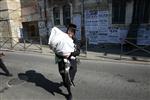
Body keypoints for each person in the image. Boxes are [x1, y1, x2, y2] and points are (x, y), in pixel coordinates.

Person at [55, 23, 80, 99]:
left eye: (72, 31)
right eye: (69, 31)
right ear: (67, 30)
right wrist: (62, 54)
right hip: (62, 61)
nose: (70, 33)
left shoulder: (75, 40)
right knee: (65, 77)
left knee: (74, 70)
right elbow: (57, 51)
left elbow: (78, 51)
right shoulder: (62, 39)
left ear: (74, 33)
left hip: (71, 60)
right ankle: (69, 93)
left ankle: (70, 81)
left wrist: (70, 54)